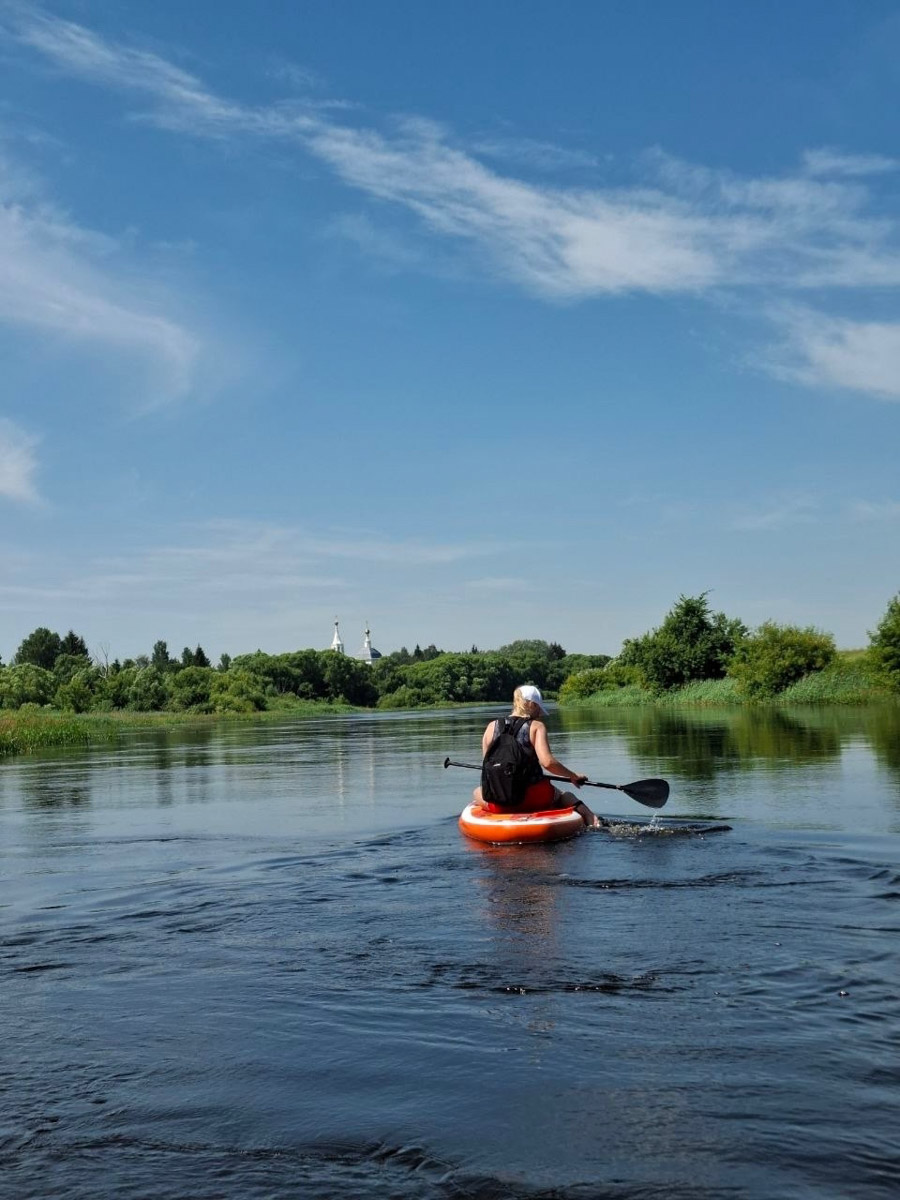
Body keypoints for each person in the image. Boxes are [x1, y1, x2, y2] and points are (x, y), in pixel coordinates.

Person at [474, 684, 602, 829]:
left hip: (500, 801)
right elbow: (548, 762)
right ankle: (591, 818)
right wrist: (572, 776)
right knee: (563, 795)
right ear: (533, 705)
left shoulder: (491, 727)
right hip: (532, 799)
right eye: (539, 709)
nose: (540, 714)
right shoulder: (536, 727)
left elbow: (488, 765)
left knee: (477, 792)